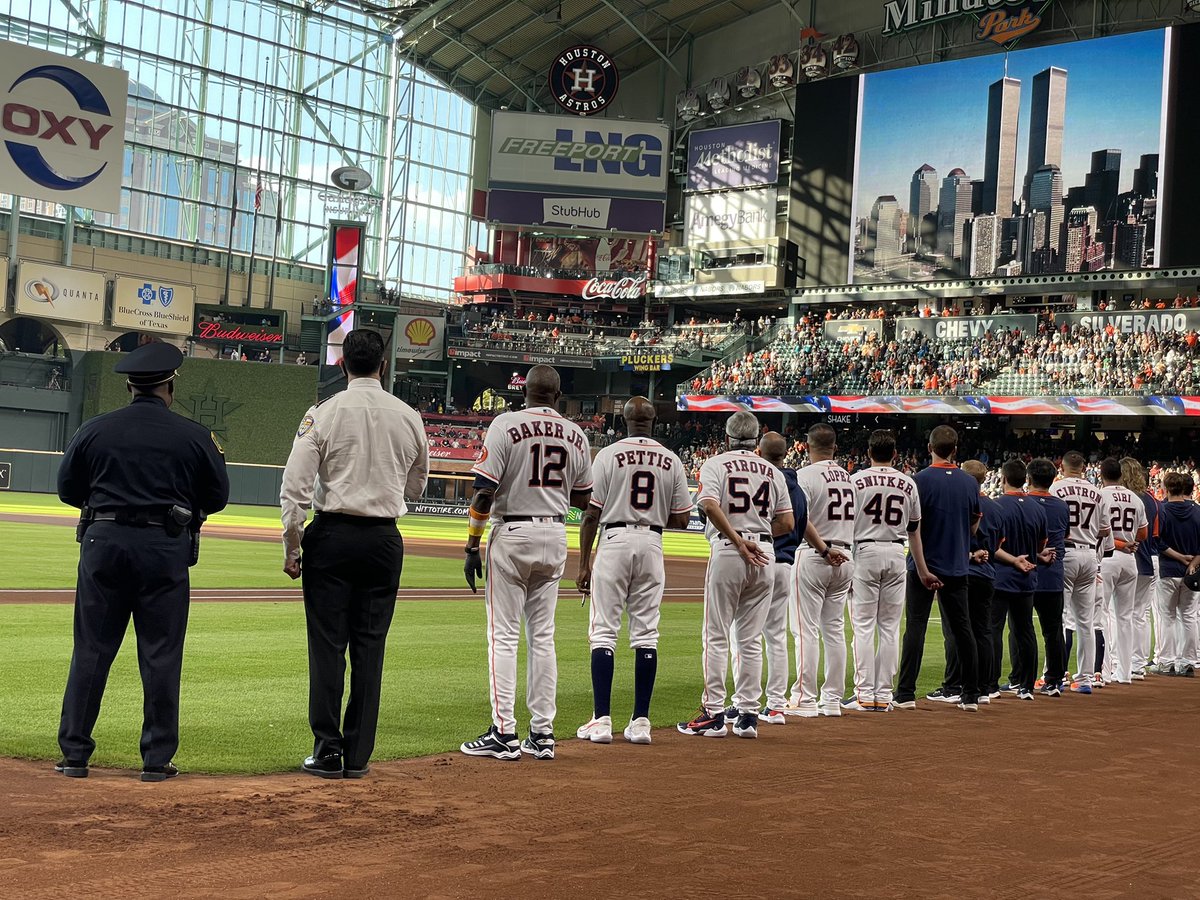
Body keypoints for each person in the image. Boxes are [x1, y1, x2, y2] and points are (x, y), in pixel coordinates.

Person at [55, 342, 229, 781]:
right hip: (163, 547)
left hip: (103, 541)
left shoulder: (95, 429)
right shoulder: (194, 435)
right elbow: (218, 497)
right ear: (169, 386)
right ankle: (155, 760)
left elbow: (67, 490)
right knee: (161, 655)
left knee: (91, 650)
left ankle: (74, 754)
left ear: (130, 386)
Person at [281, 329, 428, 779]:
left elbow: (295, 487)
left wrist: (293, 544)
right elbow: (417, 485)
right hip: (384, 538)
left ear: (342, 364)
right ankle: (358, 753)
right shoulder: (409, 416)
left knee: (328, 646)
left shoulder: (323, 413)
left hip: (333, 535)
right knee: (370, 648)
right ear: (383, 365)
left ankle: (326, 749)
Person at [460, 366, 593, 760]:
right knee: (542, 637)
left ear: (524, 392)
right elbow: (585, 501)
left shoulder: (506, 424)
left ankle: (504, 732)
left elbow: (483, 494)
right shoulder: (577, 434)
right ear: (557, 394)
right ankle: (543, 733)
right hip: (555, 535)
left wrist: (471, 545)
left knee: (503, 636)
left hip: (513, 533)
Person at [575, 397, 692, 745]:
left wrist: (584, 563)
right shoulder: (671, 459)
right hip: (652, 543)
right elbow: (683, 518)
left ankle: (601, 720)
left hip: (614, 539)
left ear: (622, 419)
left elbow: (591, 513)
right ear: (654, 420)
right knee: (646, 634)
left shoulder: (609, 455)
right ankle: (641, 722)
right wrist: (652, 514)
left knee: (603, 632)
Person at [678, 411, 793, 739]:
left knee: (715, 635)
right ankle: (747, 715)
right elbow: (787, 523)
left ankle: (714, 712)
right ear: (757, 439)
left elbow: (710, 505)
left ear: (727, 438)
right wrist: (755, 533)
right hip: (766, 553)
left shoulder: (715, 463)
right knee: (751, 638)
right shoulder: (772, 471)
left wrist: (738, 537)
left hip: (730, 550)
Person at [894, 425, 981, 712]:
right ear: (955, 450)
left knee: (915, 628)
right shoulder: (970, 483)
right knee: (963, 629)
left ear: (929, 447)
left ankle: (906, 692)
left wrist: (921, 567)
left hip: (923, 563)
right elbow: (973, 524)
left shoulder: (918, 480)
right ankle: (970, 694)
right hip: (956, 563)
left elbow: (911, 528)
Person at [847, 429, 930, 712]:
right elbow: (914, 530)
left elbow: (846, 526)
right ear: (895, 454)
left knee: (863, 627)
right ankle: (883, 694)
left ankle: (864, 693)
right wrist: (922, 569)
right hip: (897, 551)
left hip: (865, 551)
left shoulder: (855, 480)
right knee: (890, 628)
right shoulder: (908, 482)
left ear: (868, 452)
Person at [732, 431, 807, 725]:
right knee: (776, 637)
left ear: (759, 453)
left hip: (758, 559)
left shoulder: (761, 480)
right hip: (786, 564)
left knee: (743, 636)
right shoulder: (798, 490)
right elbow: (797, 528)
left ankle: (742, 704)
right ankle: (776, 705)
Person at [786, 424, 855, 718]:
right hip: (847, 555)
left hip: (816, 555)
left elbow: (800, 519)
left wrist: (824, 549)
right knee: (835, 630)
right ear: (835, 447)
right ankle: (832, 699)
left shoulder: (805, 475)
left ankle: (804, 699)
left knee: (805, 631)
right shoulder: (849, 478)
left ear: (806, 445)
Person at [932, 460, 1000, 705]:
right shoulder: (996, 507)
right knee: (983, 631)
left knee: (955, 630)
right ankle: (985, 687)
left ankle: (953, 686)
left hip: (960, 570)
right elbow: (998, 544)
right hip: (988, 573)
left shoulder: (957, 502)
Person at [1050, 451, 1110, 694]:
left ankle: (1054, 675)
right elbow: (1105, 530)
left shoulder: (1056, 488)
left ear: (1062, 467)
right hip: (1089, 556)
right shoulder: (1097, 491)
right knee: (1085, 621)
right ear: (1084, 467)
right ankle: (1085, 679)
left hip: (1066, 552)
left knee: (1059, 617)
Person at [990, 460, 1049, 702]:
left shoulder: (997, 506)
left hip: (1002, 575)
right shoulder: (1037, 508)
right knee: (1025, 630)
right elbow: (1041, 545)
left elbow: (992, 545)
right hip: (1028, 576)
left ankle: (990, 683)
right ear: (1024, 479)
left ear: (1003, 479)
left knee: (993, 630)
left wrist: (1013, 558)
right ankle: (1026, 685)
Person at [1098, 458, 1148, 684]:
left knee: (1103, 615)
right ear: (1121, 475)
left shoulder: (1100, 496)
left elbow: (1100, 530)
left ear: (1101, 475)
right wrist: (1128, 543)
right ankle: (1125, 673)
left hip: (1108, 558)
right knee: (1125, 617)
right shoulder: (1136, 498)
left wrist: (1118, 543)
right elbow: (1144, 534)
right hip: (1130, 560)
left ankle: (1104, 671)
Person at [1026, 459, 1070, 696]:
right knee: (1053, 630)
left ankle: (1023, 679)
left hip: (1026, 571)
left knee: (1022, 629)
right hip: (1053, 573)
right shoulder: (1062, 506)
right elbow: (1065, 535)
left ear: (1029, 478)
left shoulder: (1023, 502)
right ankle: (1054, 680)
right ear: (1053, 479)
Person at [1153, 471, 1200, 678]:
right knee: (1188, 616)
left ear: (1166, 488)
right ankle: (1188, 661)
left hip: (1168, 569)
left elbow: (1158, 542)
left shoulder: (1161, 510)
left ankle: (1166, 661)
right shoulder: (1198, 511)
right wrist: (1192, 562)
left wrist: (1180, 557)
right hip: (1192, 571)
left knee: (1167, 616)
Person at [1122, 457, 1159, 678]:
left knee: (1121, 614)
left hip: (1129, 557)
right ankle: (1137, 663)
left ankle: (1120, 662)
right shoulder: (1152, 500)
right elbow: (1155, 533)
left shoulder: (1126, 498)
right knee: (1141, 615)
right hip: (1150, 559)